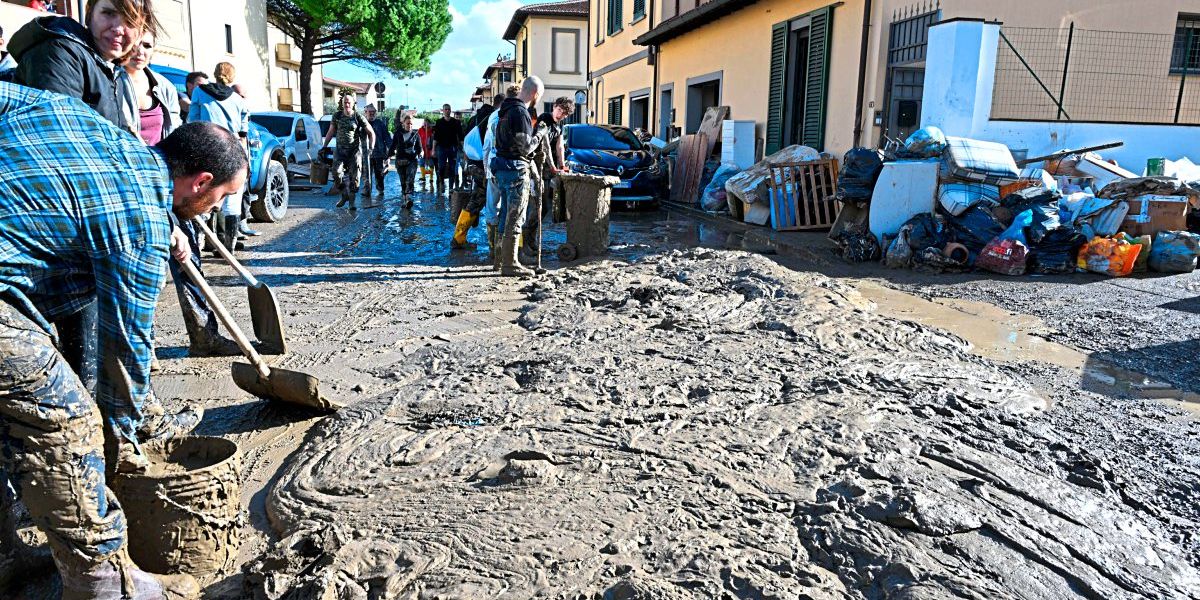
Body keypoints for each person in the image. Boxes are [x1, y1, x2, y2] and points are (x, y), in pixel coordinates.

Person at [0, 82, 248, 599]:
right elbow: (127, 351)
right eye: (217, 199)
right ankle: (104, 584)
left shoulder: (75, 116)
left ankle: (5, 553)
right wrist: (121, 437)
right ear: (200, 182)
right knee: (67, 423)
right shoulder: (138, 224)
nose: (208, 211)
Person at [122, 34, 240, 359]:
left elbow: (174, 134)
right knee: (144, 272)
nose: (140, 50)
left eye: (147, 44)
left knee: (190, 260)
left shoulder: (160, 87)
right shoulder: (106, 86)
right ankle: (140, 354)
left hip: (169, 183)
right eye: (136, 43)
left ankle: (204, 335)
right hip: (129, 186)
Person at [8, 0, 159, 135]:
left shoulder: (112, 68)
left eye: (131, 21)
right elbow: (61, 134)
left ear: (140, 31)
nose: (118, 29)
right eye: (108, 13)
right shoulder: (61, 51)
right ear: (89, 14)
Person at [188, 61, 250, 252]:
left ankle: (201, 245)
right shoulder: (239, 100)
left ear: (214, 74)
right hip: (231, 151)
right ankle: (228, 249)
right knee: (231, 200)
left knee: (205, 198)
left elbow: (192, 120)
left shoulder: (199, 92)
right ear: (232, 77)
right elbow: (243, 132)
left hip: (206, 149)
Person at [491, 76, 543, 277]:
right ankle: (510, 264)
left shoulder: (504, 111)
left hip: (502, 168)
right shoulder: (521, 113)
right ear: (535, 94)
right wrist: (539, 135)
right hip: (515, 169)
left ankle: (499, 260)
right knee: (516, 216)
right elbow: (526, 147)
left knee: (504, 214)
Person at [521, 96, 575, 268]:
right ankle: (525, 244)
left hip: (546, 171)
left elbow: (559, 146)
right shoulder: (544, 119)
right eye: (560, 110)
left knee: (542, 208)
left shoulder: (559, 126)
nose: (561, 114)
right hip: (536, 167)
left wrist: (563, 164)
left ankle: (531, 240)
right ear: (555, 107)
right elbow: (544, 145)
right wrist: (553, 166)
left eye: (565, 113)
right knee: (536, 206)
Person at [321, 92, 374, 210]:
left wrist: (371, 147)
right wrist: (324, 146)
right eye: (344, 102)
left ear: (353, 103)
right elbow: (330, 132)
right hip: (340, 151)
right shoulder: (337, 116)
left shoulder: (358, 117)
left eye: (349, 102)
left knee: (354, 178)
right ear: (342, 103)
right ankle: (344, 195)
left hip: (354, 151)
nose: (346, 104)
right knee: (336, 173)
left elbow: (371, 133)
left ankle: (352, 202)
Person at [390, 114, 421, 206]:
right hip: (400, 161)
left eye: (411, 124)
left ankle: (408, 198)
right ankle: (405, 198)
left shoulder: (415, 134)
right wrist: (387, 157)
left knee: (410, 180)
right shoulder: (398, 134)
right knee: (403, 182)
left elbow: (419, 148)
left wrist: (421, 153)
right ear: (403, 123)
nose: (409, 126)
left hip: (412, 160)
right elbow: (393, 146)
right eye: (408, 124)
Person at [432, 103, 463, 196]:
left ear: (451, 110)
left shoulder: (456, 122)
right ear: (443, 111)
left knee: (452, 168)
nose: (447, 111)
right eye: (445, 109)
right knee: (441, 167)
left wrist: (464, 149)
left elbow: (461, 137)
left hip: (453, 148)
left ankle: (450, 188)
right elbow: (435, 137)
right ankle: (441, 182)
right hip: (441, 148)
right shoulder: (439, 122)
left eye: (449, 109)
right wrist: (433, 149)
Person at [363, 105, 391, 201]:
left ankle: (380, 190)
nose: (372, 113)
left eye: (373, 112)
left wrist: (390, 151)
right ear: (365, 112)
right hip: (366, 154)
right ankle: (367, 190)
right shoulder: (362, 123)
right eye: (369, 112)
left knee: (379, 174)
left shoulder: (380, 124)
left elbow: (387, 137)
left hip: (379, 153)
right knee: (366, 173)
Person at [417, 119, 435, 190]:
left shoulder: (432, 130)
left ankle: (431, 178)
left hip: (429, 149)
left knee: (431, 164)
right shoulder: (420, 130)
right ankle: (423, 176)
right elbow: (418, 139)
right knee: (421, 163)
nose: (425, 125)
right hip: (422, 149)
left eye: (427, 123)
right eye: (424, 123)